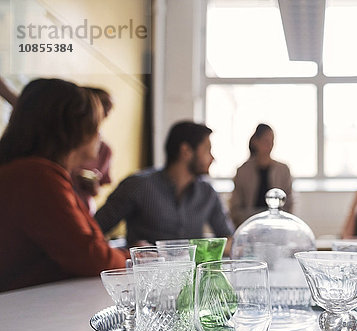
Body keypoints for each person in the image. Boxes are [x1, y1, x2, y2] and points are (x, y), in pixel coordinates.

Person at [0, 78, 127, 292]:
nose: (100, 136)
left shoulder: (31, 171)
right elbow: (90, 257)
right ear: (73, 130)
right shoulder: (36, 176)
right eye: (95, 126)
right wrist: (138, 260)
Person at [95, 121, 235, 245]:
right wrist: (127, 252)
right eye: (207, 150)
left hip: (190, 273)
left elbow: (228, 238)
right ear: (186, 151)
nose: (213, 158)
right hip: (146, 271)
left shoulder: (207, 192)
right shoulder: (137, 185)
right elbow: (94, 231)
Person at [229, 123, 294, 226]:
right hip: (249, 225)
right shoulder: (243, 171)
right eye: (266, 141)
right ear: (255, 142)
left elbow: (289, 202)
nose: (269, 145)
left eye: (272, 141)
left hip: (277, 224)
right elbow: (235, 207)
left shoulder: (283, 170)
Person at [72, 87, 114, 215]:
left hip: (82, 211)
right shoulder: (63, 140)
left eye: (108, 108)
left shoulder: (105, 149)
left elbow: (98, 190)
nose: (104, 112)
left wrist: (92, 185)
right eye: (100, 104)